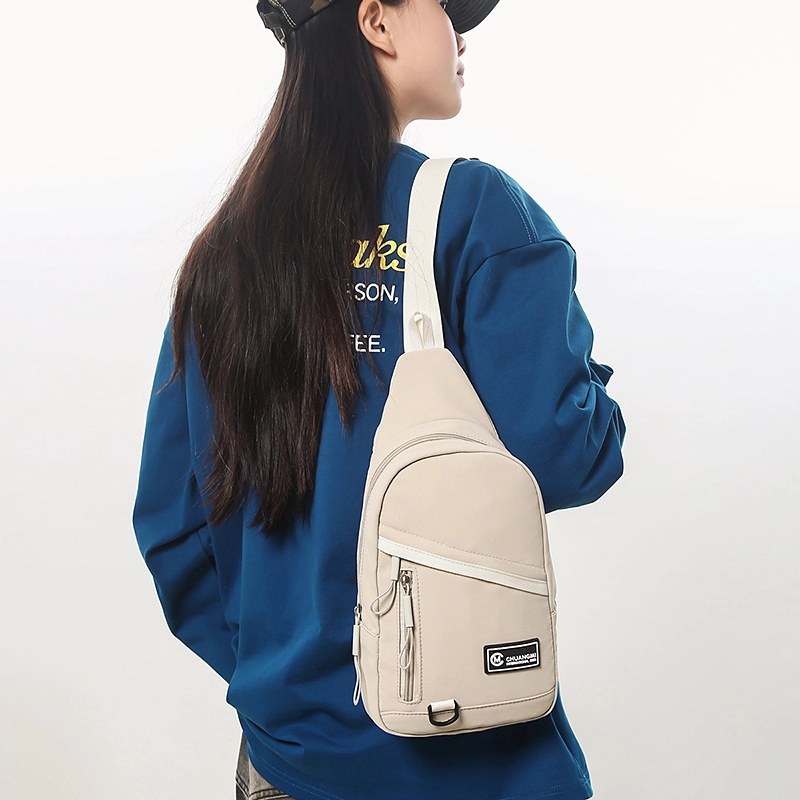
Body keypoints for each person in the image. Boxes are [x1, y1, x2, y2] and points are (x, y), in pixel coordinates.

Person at [132, 0, 627, 798]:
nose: (461, 34)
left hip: (287, 763)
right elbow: (566, 454)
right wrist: (585, 384)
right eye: (446, 7)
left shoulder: (226, 255)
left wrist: (286, 678)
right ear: (377, 21)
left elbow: (173, 527)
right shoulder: (475, 214)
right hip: (474, 766)